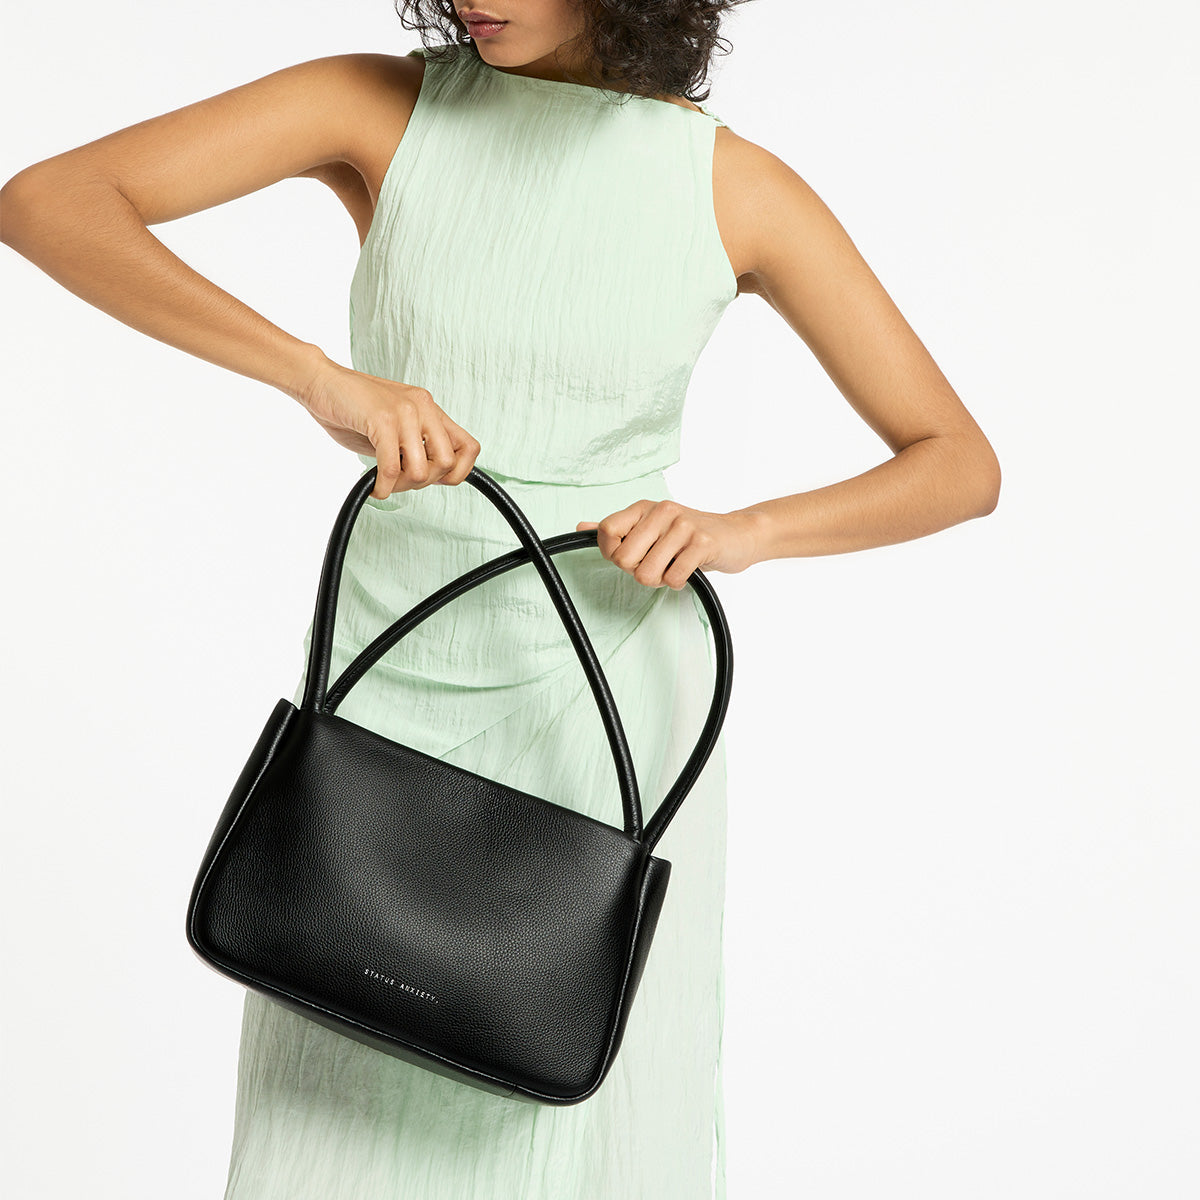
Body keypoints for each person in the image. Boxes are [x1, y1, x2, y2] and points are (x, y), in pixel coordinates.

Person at [0, 2, 1001, 1196]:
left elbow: (958, 462)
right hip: (391, 661)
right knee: (332, 1094)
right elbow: (49, 201)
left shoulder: (735, 187)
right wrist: (317, 378)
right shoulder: (376, 105)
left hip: (604, 701)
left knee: (556, 1114)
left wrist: (740, 533)